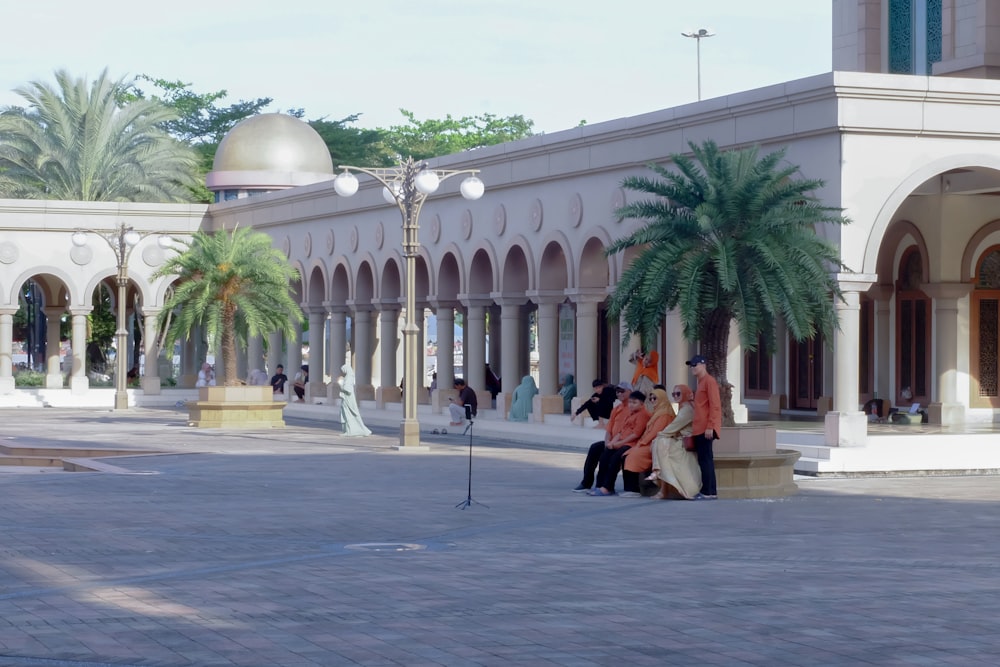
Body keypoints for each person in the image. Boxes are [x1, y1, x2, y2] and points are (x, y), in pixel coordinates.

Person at [589, 390, 650, 496]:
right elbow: (621, 431)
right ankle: (600, 485)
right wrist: (612, 442)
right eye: (630, 402)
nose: (631, 405)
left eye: (634, 403)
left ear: (642, 404)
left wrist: (618, 444)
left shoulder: (643, 415)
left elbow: (635, 434)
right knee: (605, 456)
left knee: (615, 459)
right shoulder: (630, 414)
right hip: (621, 442)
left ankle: (607, 487)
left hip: (631, 444)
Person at [573, 382, 631, 493]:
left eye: (622, 391)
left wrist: (613, 443)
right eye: (617, 391)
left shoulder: (632, 408)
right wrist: (606, 441)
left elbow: (626, 430)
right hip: (612, 441)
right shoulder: (617, 408)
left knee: (607, 455)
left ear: (630, 392)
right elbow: (609, 428)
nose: (619, 393)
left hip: (622, 442)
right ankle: (586, 482)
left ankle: (603, 486)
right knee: (594, 448)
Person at [620, 387, 676, 497]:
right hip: (648, 443)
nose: (653, 401)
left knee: (633, 456)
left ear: (662, 399)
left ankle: (634, 490)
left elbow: (655, 432)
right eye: (651, 399)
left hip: (655, 444)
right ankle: (629, 488)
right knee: (626, 454)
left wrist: (641, 443)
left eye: (655, 398)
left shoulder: (665, 414)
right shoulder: (657, 412)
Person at [648, 384, 700, 499]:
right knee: (660, 444)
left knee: (660, 443)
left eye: (678, 393)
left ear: (686, 394)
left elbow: (673, 428)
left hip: (683, 444)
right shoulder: (683, 408)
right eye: (673, 394)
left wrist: (658, 436)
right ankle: (661, 485)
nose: (675, 396)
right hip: (678, 441)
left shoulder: (686, 409)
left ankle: (659, 478)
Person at [687, 354, 722, 500]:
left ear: (703, 365)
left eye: (695, 365)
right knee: (705, 459)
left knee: (705, 459)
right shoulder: (700, 382)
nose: (692, 368)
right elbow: (702, 407)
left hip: (705, 428)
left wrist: (710, 426)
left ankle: (708, 491)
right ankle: (710, 491)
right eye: (691, 366)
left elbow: (715, 405)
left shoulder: (709, 381)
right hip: (699, 427)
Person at [338, 363, 371, 436]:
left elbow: (347, 389)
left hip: (348, 399)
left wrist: (340, 383)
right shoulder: (348, 377)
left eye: (343, 370)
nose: (343, 372)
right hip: (346, 398)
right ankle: (348, 430)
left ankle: (350, 431)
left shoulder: (349, 377)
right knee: (346, 413)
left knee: (348, 413)